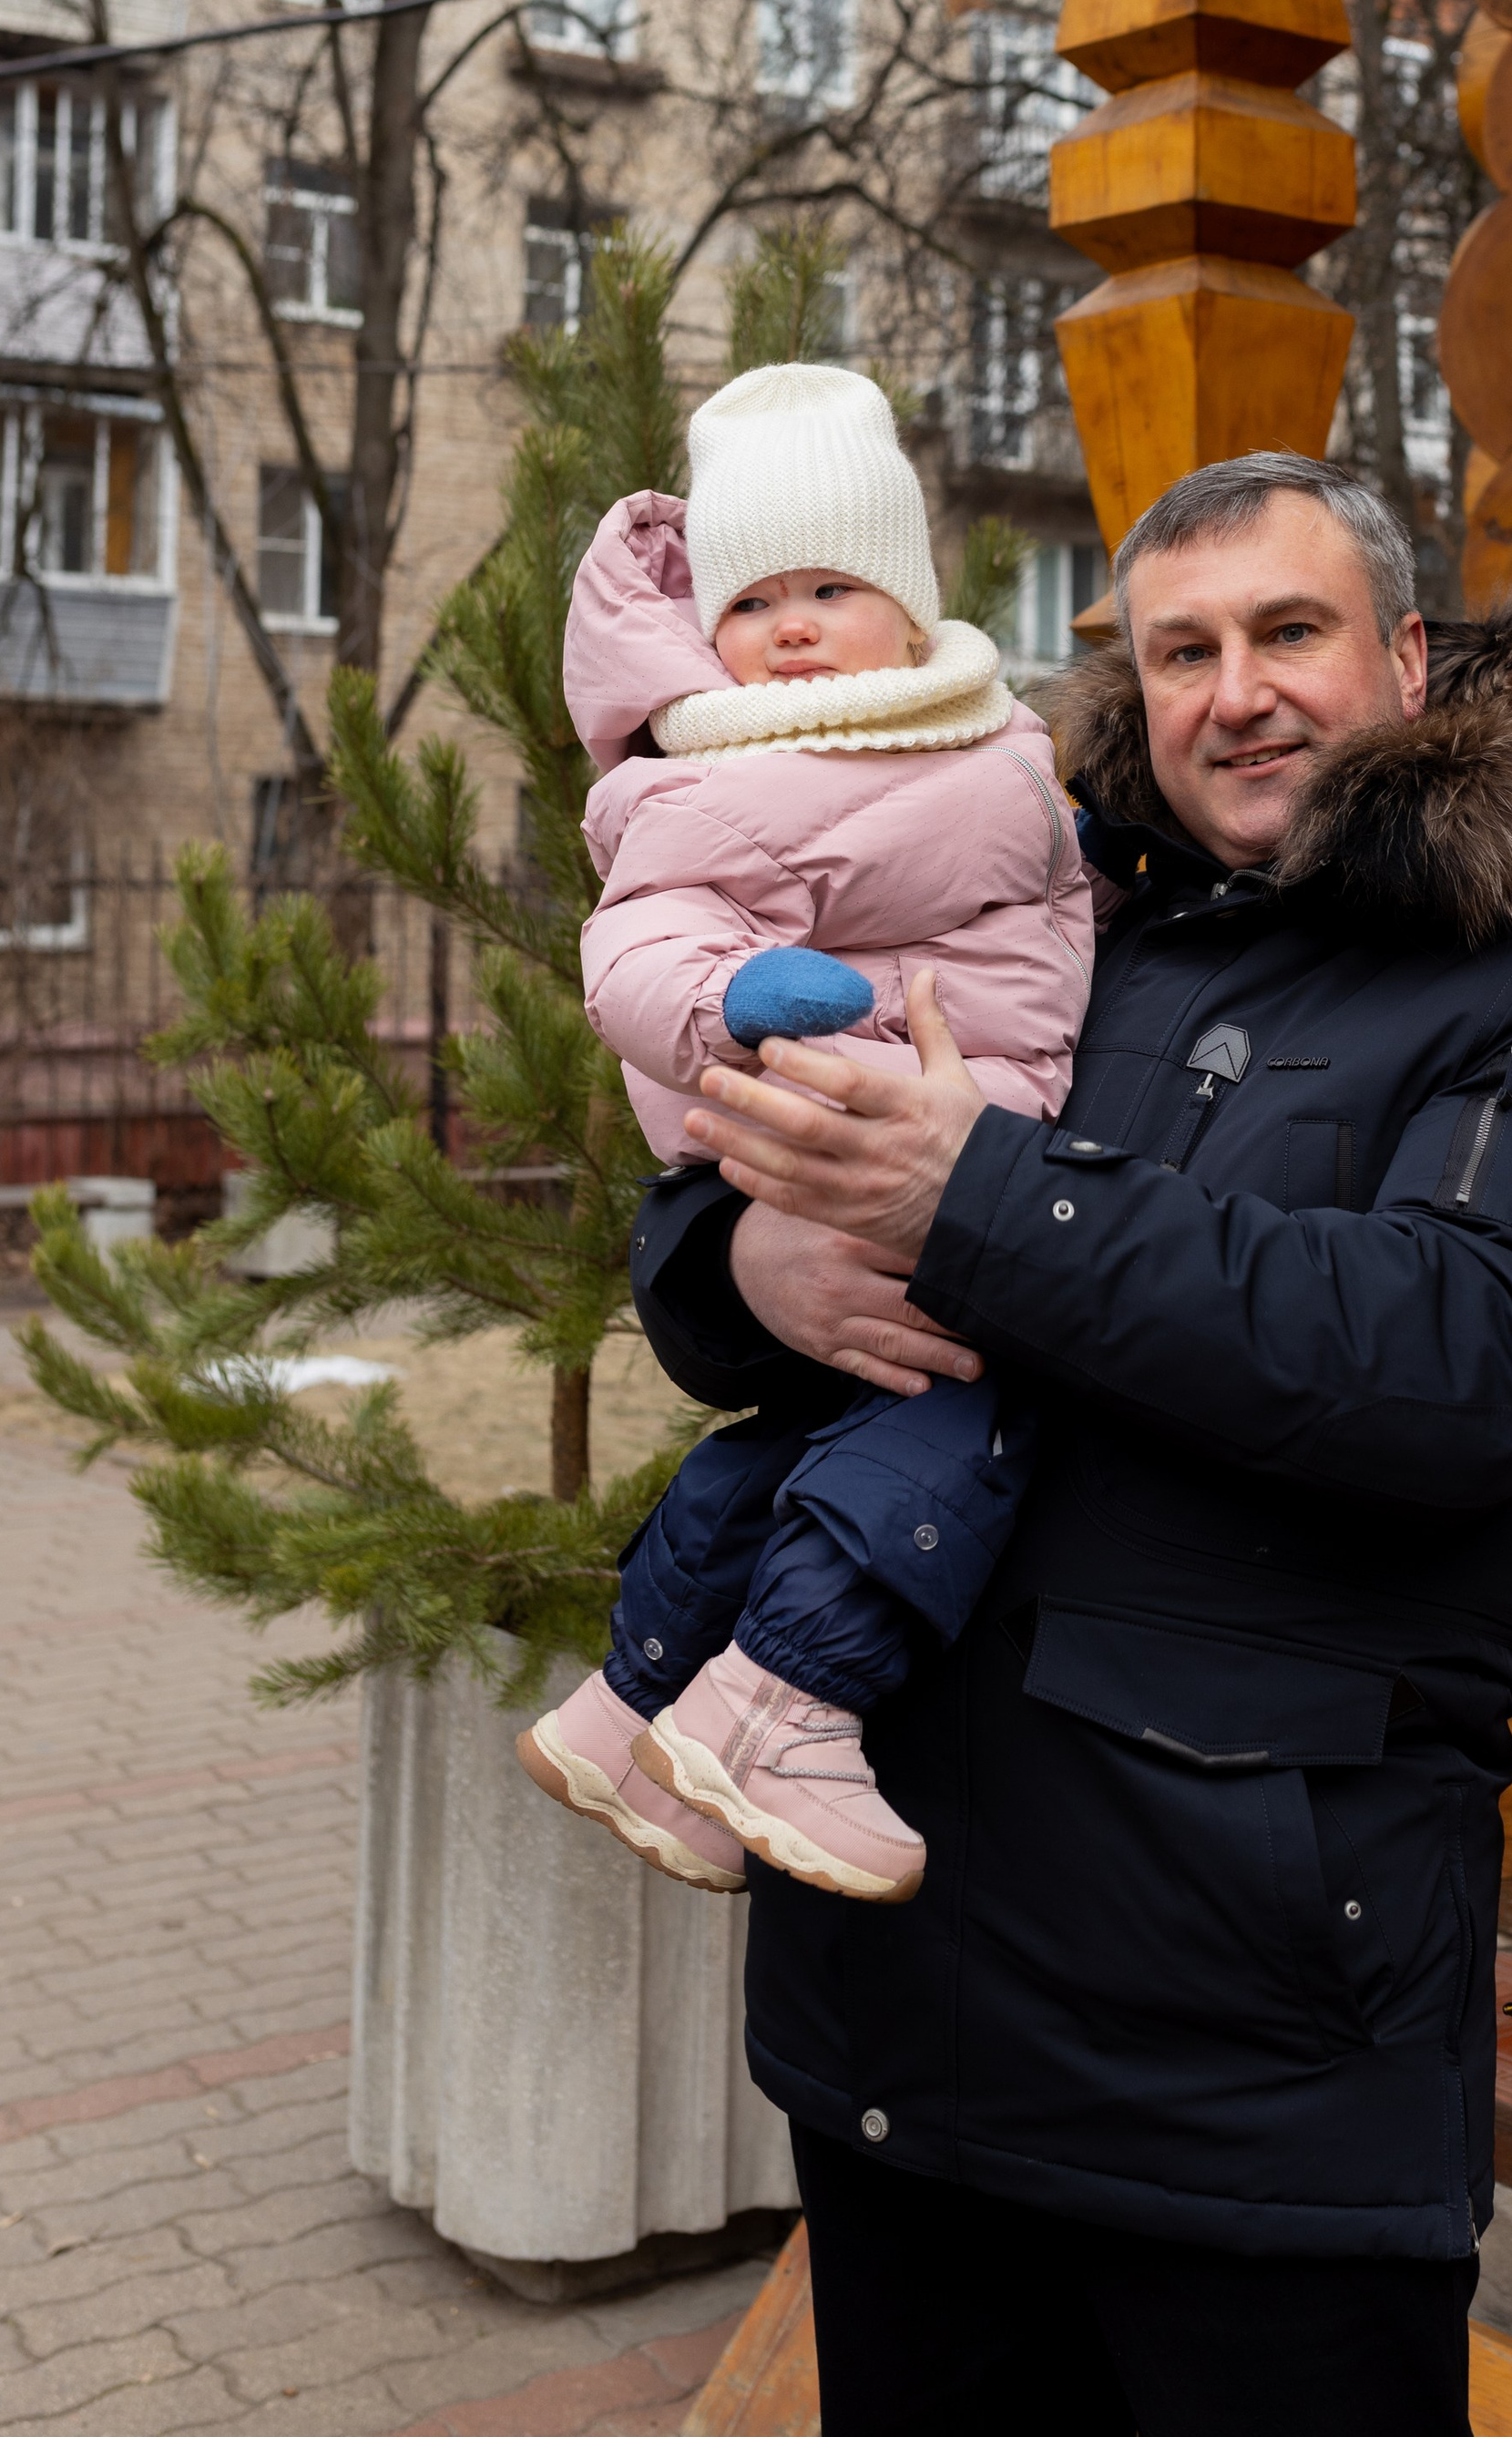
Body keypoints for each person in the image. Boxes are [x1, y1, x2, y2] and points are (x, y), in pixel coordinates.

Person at [628, 450, 1512, 2437]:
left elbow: (1469, 1364)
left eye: (1288, 633)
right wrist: (738, 1269)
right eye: (1180, 649)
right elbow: (725, 1181)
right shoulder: (1033, 922)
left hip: (1254, 2054)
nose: (1237, 693)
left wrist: (983, 1200)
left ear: (1403, 655)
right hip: (902, 2011)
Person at [516, 361, 1093, 1906]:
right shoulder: (724, 768)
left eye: (828, 585)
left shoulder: (973, 732)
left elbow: (1030, 894)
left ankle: (639, 1703)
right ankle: (787, 1702)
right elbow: (629, 956)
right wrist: (733, 998)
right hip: (845, 1128)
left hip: (964, 1141)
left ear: (909, 607)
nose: (786, 625)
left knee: (803, 1447)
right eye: (751, 597)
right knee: (970, 1403)